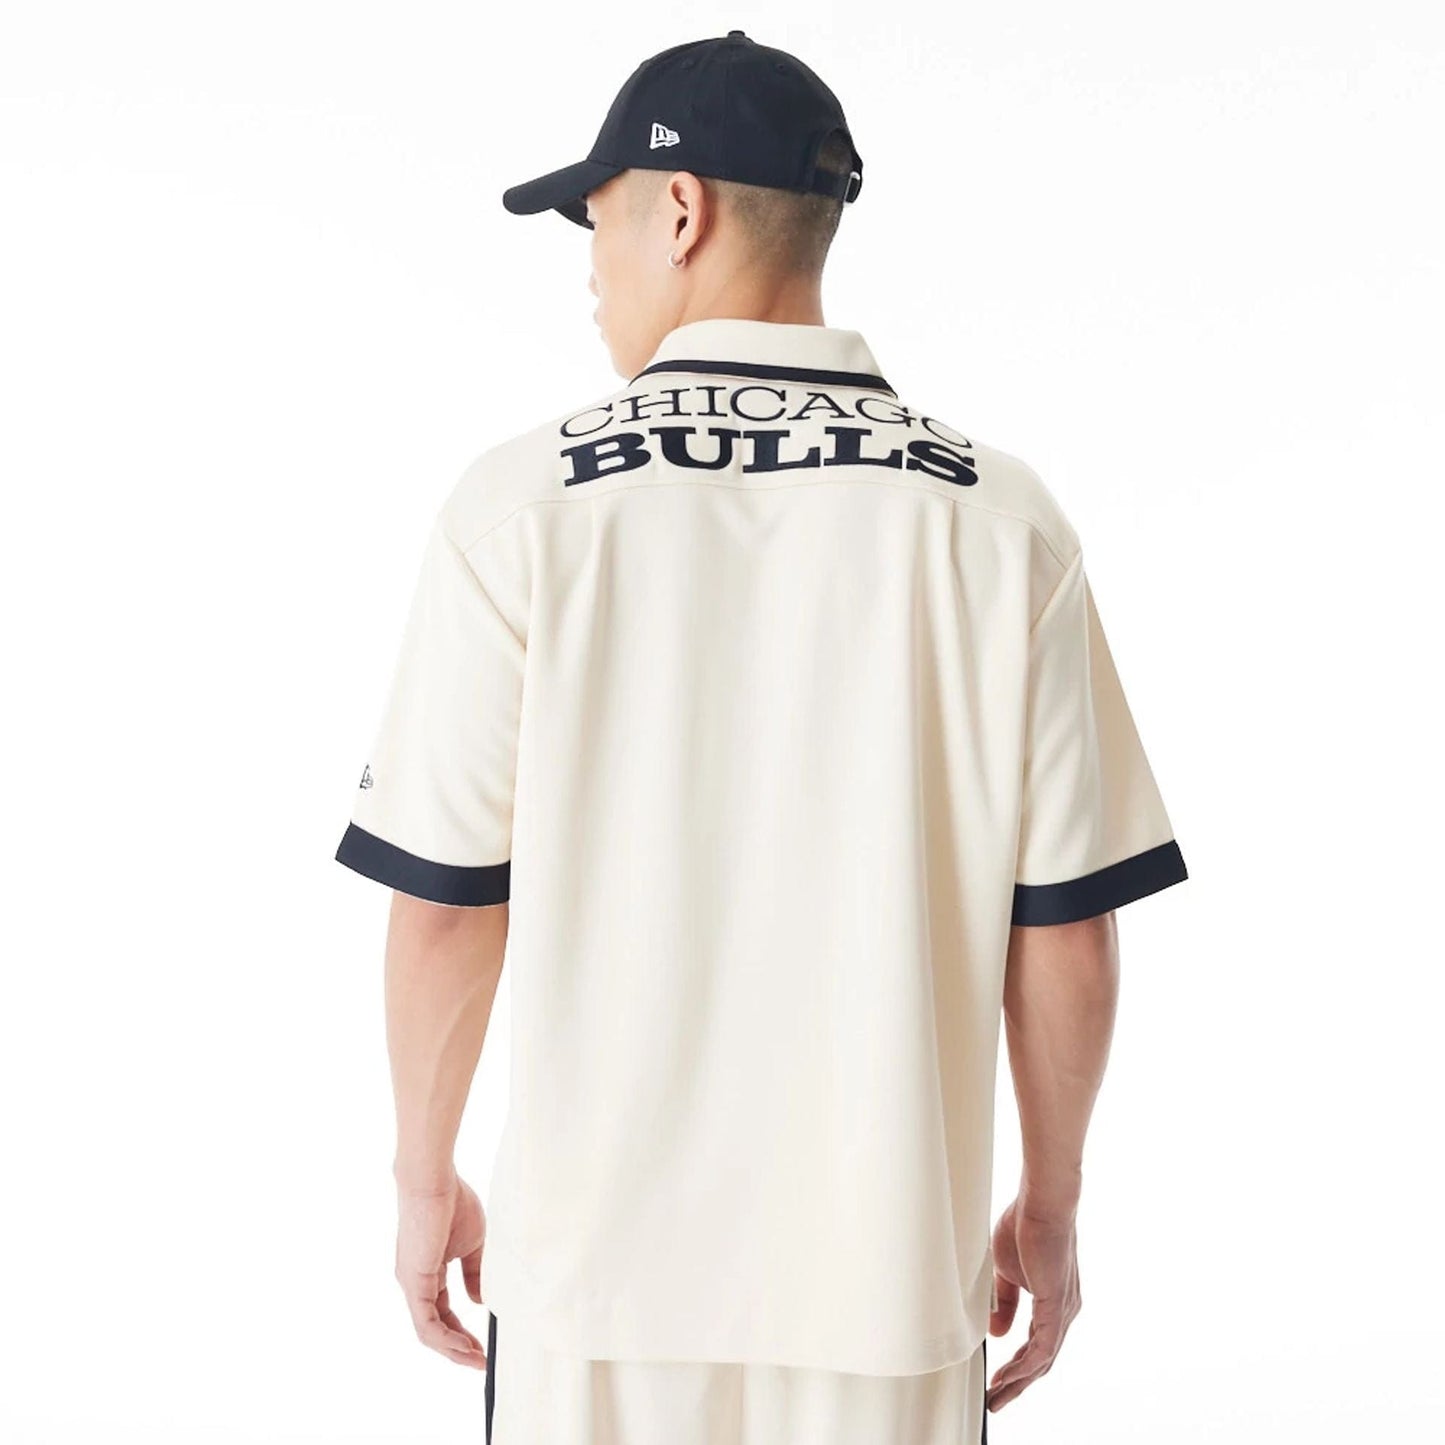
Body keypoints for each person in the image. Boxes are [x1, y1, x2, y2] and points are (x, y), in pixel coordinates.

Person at [334, 28, 1188, 1445]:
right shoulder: (1001, 524)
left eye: (596, 218)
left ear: (680, 210)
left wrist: (424, 1180)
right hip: (888, 1295)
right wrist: (1049, 1207)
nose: (588, 269)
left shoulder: (519, 510)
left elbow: (443, 908)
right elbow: (1067, 935)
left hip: (592, 1300)